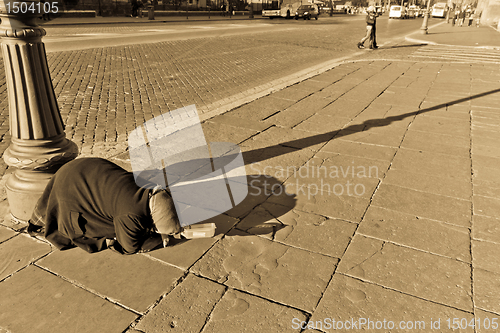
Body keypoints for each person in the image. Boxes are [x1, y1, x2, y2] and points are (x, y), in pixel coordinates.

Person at [28, 158, 182, 255]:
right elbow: (129, 247)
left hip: (81, 167)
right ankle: (39, 225)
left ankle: (37, 221)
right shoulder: (130, 215)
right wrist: (157, 237)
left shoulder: (149, 187)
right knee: (106, 232)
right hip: (70, 191)